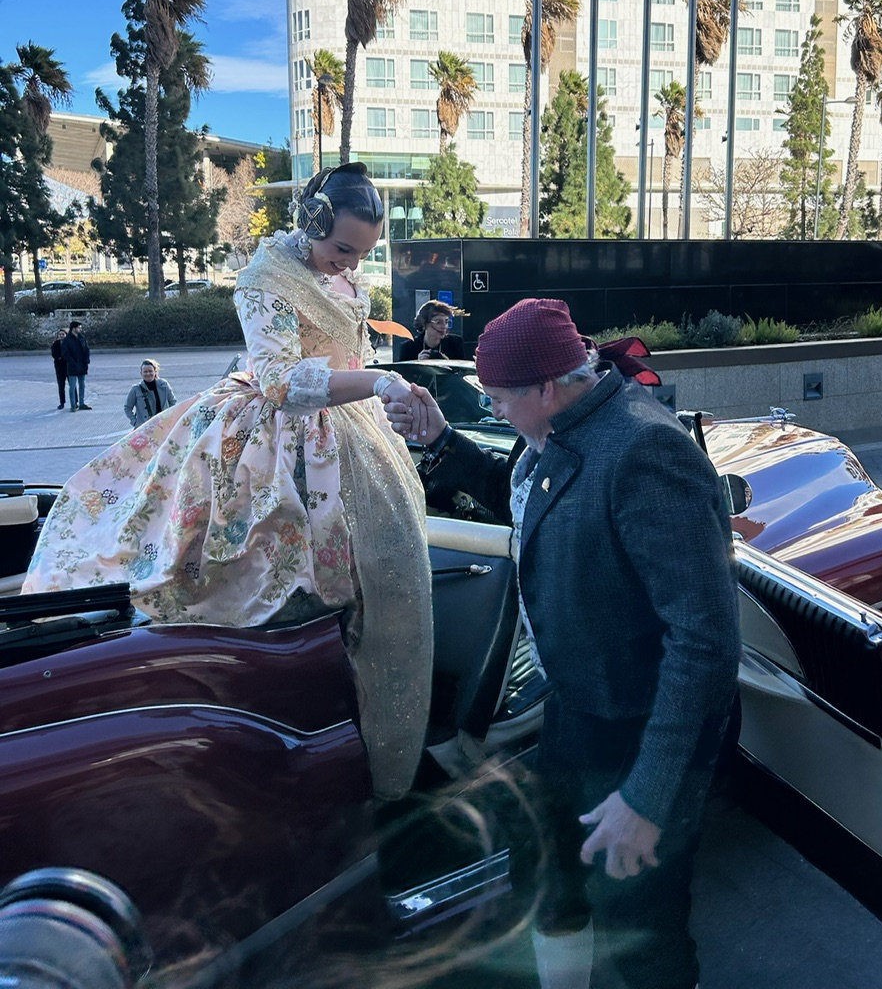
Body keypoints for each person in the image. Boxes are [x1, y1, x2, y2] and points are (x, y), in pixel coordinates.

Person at [23, 164, 434, 801]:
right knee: (250, 566)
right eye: (343, 249)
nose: (351, 263)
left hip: (350, 431)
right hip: (278, 436)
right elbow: (281, 381)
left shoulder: (342, 271)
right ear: (313, 222)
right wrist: (379, 382)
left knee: (382, 571)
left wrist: (382, 386)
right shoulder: (263, 278)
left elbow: (348, 355)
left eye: (362, 253)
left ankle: (369, 734)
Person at [388, 298, 740, 989]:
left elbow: (704, 642)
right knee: (547, 873)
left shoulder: (646, 450)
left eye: (497, 400)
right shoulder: (566, 424)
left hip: (646, 726)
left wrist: (646, 798)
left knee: (640, 917)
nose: (494, 412)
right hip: (579, 707)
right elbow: (538, 504)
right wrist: (442, 442)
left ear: (546, 387)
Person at [397, 301, 466, 361]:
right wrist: (418, 364)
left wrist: (447, 362)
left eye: (446, 322)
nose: (444, 326)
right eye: (438, 322)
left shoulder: (455, 343)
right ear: (425, 324)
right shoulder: (408, 347)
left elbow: (463, 370)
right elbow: (403, 371)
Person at [124, 359, 178, 428]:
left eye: (150, 371)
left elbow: (173, 402)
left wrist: (170, 417)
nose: (148, 374)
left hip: (163, 425)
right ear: (141, 373)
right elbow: (127, 408)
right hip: (145, 427)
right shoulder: (136, 389)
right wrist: (135, 422)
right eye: (145, 371)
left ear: (155, 372)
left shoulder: (164, 385)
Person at [61, 320, 91, 412]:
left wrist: (86, 360)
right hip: (72, 366)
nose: (80, 329)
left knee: (82, 385)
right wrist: (72, 362)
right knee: (72, 386)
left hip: (82, 365)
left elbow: (87, 350)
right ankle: (73, 405)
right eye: (79, 328)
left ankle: (82, 403)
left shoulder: (82, 338)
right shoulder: (67, 340)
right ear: (73, 328)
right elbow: (65, 353)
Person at [50, 327, 68, 409]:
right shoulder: (55, 344)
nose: (61, 335)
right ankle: (62, 402)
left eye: (63, 334)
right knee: (61, 386)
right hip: (59, 368)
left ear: (66, 335)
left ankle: (75, 401)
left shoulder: (69, 343)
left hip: (68, 367)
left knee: (72, 385)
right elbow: (54, 354)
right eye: (60, 334)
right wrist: (59, 357)